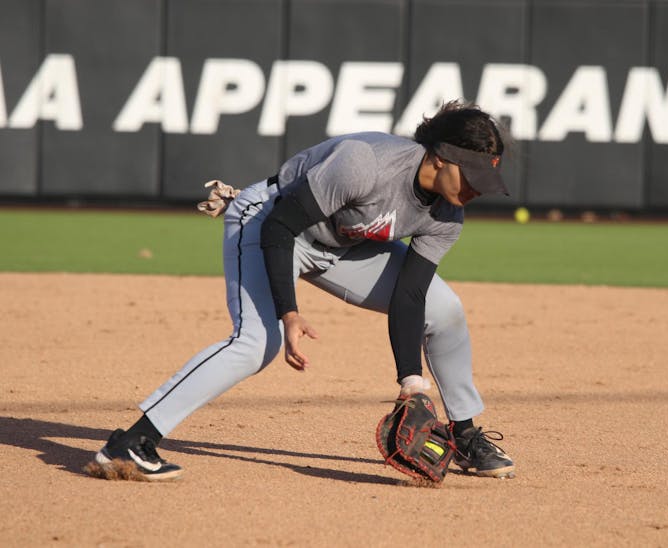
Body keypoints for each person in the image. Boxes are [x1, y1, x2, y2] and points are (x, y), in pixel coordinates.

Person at [93, 100, 516, 481]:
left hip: (344, 244)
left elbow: (410, 296)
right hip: (270, 221)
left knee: (445, 310)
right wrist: (289, 312)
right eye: (472, 175)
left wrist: (411, 381)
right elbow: (280, 226)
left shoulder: (447, 216)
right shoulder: (365, 162)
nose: (477, 189)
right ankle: (131, 442)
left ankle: (463, 435)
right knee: (256, 343)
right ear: (441, 158)